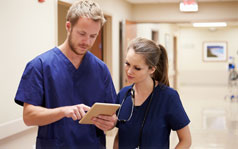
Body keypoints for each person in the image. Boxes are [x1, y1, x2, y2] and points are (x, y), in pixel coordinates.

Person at [14, 0, 117, 148]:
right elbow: (29, 117)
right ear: (68, 26)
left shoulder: (101, 69)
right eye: (82, 33)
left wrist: (110, 123)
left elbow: (112, 116)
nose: (87, 41)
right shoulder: (40, 66)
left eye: (93, 36)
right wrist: (63, 111)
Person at [114, 37, 191, 149]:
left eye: (137, 68)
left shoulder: (168, 97)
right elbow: (120, 136)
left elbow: (186, 141)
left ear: (151, 69)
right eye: (127, 64)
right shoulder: (123, 94)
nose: (129, 71)